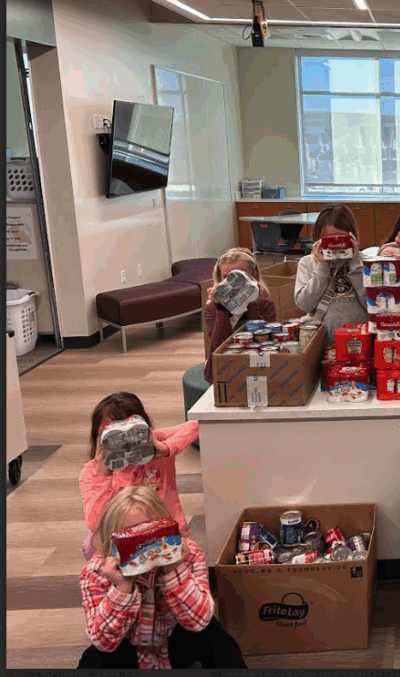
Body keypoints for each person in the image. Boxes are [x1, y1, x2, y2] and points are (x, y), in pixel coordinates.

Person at [77, 486, 246, 669]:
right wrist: (122, 589)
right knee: (91, 660)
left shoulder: (189, 553)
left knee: (219, 642)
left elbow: (200, 621)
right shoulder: (95, 571)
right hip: (126, 647)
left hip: (177, 640)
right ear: (111, 540)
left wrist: (173, 568)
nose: (143, 547)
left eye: (152, 535)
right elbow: (102, 642)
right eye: (131, 540)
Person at [80, 392, 197, 561]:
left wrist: (165, 448)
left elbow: (196, 425)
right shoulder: (92, 471)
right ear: (99, 439)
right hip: (125, 543)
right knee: (90, 544)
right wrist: (103, 476)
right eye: (112, 435)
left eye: (131, 432)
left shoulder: (157, 450)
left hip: (166, 535)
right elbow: (96, 523)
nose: (124, 443)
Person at [202, 247, 276, 383]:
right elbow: (219, 346)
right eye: (227, 278)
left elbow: (262, 341)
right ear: (220, 279)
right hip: (222, 369)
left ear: (254, 276)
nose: (234, 285)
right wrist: (221, 307)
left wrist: (252, 301)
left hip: (257, 366)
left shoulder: (265, 304)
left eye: (241, 276)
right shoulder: (212, 308)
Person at [294, 204, 369, 332]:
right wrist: (322, 267)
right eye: (329, 241)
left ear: (352, 237)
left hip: (359, 334)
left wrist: (356, 265)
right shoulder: (307, 263)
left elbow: (372, 304)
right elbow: (305, 305)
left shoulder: (365, 262)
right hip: (323, 336)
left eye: (341, 239)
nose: (336, 246)